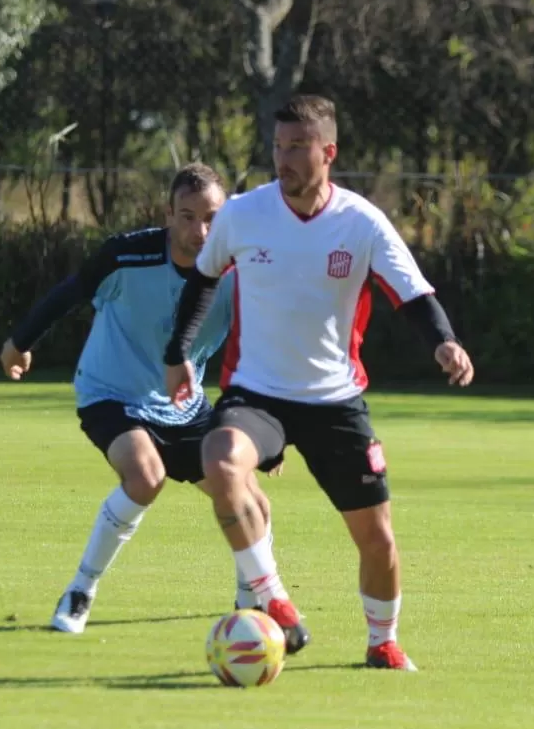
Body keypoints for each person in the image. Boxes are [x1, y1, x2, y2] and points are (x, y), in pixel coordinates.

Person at [163, 95, 475, 671]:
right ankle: (273, 596)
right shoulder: (242, 214)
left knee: (378, 538)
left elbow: (413, 295)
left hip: (335, 400)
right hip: (258, 394)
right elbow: (202, 281)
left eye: (298, 148)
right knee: (220, 459)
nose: (284, 159)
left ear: (328, 152)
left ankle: (383, 640)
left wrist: (444, 341)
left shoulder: (360, 221)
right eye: (278, 147)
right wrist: (177, 352)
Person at [0, 162, 291, 637]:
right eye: (187, 216)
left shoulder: (239, 273)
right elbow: (69, 293)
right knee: (146, 475)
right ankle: (80, 590)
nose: (200, 230)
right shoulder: (126, 255)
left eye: (211, 218)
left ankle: (249, 608)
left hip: (183, 405)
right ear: (168, 214)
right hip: (110, 393)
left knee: (251, 501)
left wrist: (269, 435)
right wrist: (20, 342)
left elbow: (260, 352)